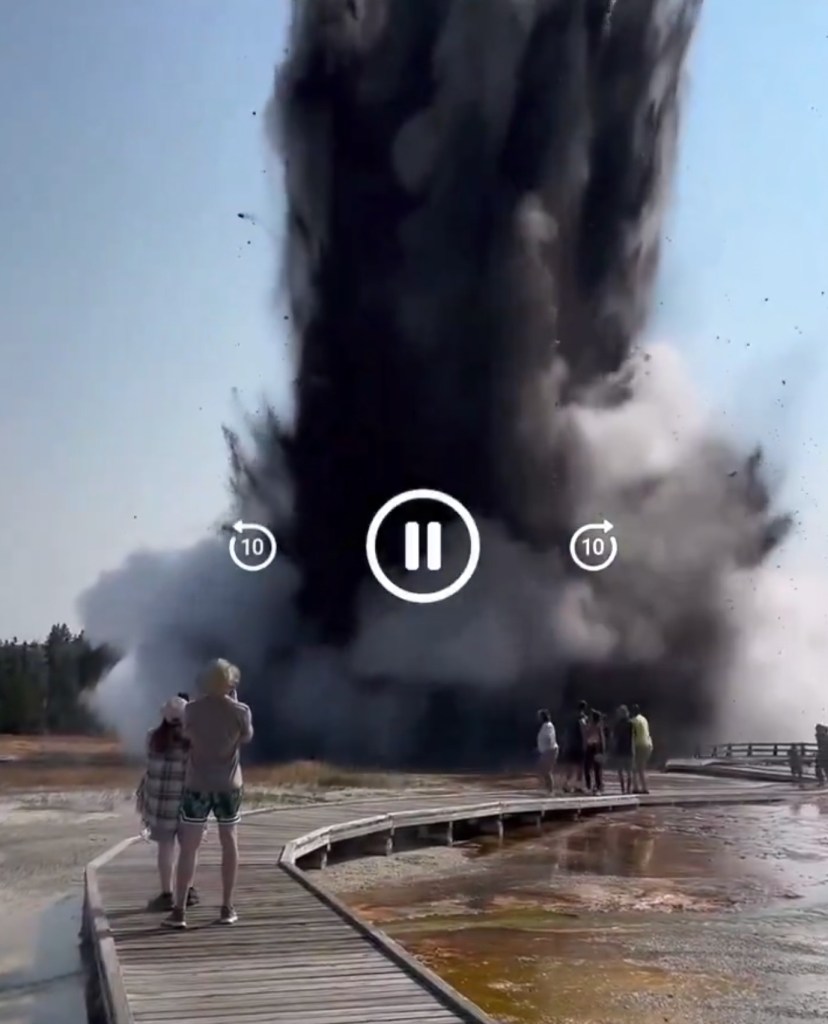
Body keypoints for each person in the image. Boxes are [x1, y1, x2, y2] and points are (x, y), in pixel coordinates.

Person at [163, 659, 253, 930]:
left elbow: (187, 736)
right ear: (231, 682)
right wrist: (234, 709)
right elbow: (246, 737)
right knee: (229, 843)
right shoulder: (241, 710)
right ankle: (227, 907)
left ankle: (179, 911)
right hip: (228, 784)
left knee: (189, 847)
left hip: (198, 784)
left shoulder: (191, 710)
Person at [136, 696, 199, 912]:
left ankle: (167, 894)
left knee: (165, 849)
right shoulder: (193, 741)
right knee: (189, 850)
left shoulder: (151, 737)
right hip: (188, 804)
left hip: (160, 806)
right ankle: (188, 891)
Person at [560, 700, 589, 793]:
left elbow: (566, 732)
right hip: (578, 745)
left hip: (570, 744)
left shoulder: (570, 718)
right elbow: (584, 731)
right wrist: (585, 744)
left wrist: (565, 743)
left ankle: (566, 784)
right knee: (579, 766)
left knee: (570, 766)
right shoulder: (582, 718)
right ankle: (578, 785)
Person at [630, 704, 653, 794]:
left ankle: (636, 788)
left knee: (635, 768)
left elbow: (633, 735)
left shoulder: (633, 721)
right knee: (642, 768)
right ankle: (645, 787)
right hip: (648, 744)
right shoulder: (644, 719)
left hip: (639, 745)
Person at [611, 704, 634, 795]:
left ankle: (623, 789)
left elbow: (614, 738)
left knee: (621, 771)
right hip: (628, 749)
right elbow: (633, 737)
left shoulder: (617, 724)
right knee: (628, 771)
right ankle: (627, 789)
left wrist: (612, 749)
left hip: (620, 749)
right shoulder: (630, 723)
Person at [583, 709, 606, 794]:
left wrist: (602, 751)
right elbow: (586, 735)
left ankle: (599, 786)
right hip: (590, 747)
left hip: (597, 748)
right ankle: (588, 786)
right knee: (586, 768)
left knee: (597, 768)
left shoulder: (598, 726)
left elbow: (602, 738)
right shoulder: (589, 725)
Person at [536, 709, 559, 793]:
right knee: (543, 770)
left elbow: (549, 738)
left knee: (546, 770)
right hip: (546, 750)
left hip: (549, 750)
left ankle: (550, 790)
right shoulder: (545, 726)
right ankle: (547, 788)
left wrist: (547, 749)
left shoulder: (548, 726)